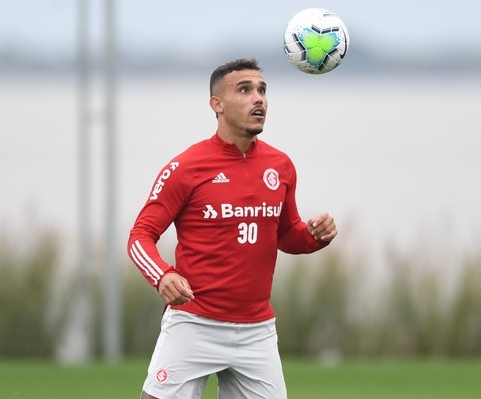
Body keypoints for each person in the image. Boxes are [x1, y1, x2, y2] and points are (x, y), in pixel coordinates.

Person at [127, 58, 337, 399]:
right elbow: (140, 237)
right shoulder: (186, 167)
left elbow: (286, 235)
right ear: (217, 104)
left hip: (257, 331)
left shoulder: (280, 166)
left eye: (262, 90)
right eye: (245, 90)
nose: (259, 99)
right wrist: (163, 275)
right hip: (195, 324)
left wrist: (313, 237)